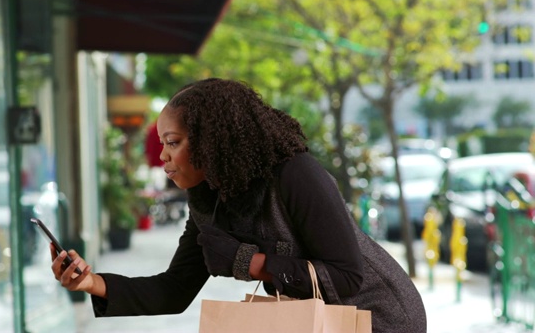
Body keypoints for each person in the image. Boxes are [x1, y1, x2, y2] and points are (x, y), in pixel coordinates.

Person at [51, 78, 427, 333]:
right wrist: (91, 282)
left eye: (173, 142)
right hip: (312, 320)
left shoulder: (295, 175)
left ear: (211, 142)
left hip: (377, 317)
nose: (163, 155)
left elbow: (347, 276)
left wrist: (248, 263)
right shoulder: (208, 201)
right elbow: (174, 290)